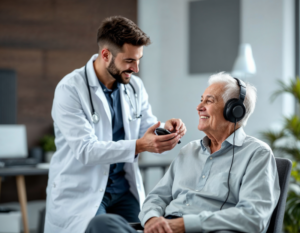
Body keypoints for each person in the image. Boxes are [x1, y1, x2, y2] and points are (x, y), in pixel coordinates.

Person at [85, 72, 280, 233]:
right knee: (101, 224)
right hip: (164, 229)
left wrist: (185, 225)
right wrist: (153, 219)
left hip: (204, 230)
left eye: (209, 101)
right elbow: (157, 197)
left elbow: (254, 217)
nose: (199, 107)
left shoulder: (257, 154)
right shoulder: (189, 151)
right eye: (201, 100)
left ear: (234, 111)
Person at [44, 16, 186, 233]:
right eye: (129, 61)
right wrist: (140, 145)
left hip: (123, 191)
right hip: (83, 192)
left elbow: (146, 126)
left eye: (139, 60)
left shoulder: (134, 87)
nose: (136, 68)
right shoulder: (70, 89)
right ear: (106, 54)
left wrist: (166, 128)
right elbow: (86, 150)